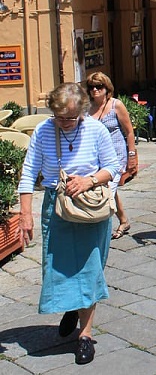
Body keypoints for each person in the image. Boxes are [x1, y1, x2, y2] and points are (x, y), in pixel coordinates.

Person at [18, 82, 121, 365]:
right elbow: (28, 174)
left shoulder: (96, 130)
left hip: (91, 208)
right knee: (59, 268)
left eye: (71, 118)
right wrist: (26, 215)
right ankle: (73, 307)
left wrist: (89, 179)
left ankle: (85, 336)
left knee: (89, 270)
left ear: (83, 112)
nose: (64, 123)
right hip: (58, 207)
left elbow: (113, 167)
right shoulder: (43, 130)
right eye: (59, 117)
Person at [86, 72, 137, 239]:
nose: (95, 90)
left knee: (107, 190)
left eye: (99, 86)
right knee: (108, 189)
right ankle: (123, 220)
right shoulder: (87, 108)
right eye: (91, 87)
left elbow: (129, 132)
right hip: (95, 157)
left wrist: (132, 156)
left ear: (106, 88)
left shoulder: (116, 105)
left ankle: (100, 230)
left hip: (116, 156)